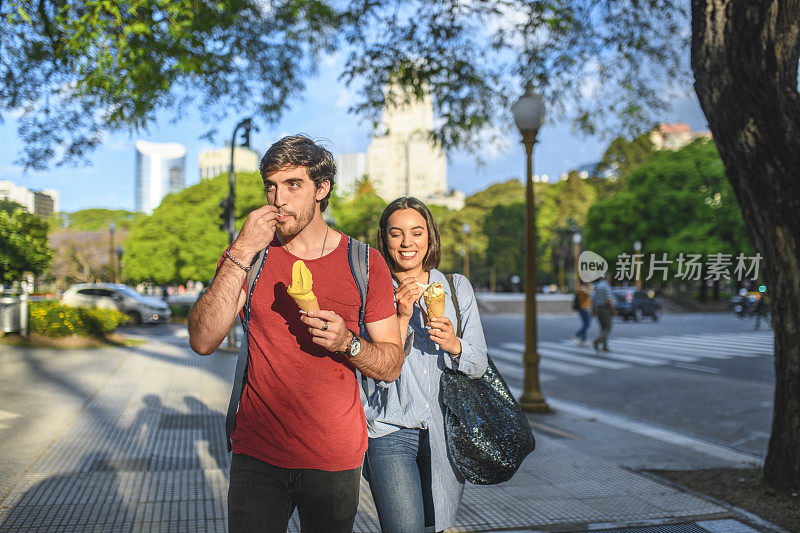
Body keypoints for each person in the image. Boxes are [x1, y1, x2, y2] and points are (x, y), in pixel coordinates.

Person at [187, 135, 403, 533]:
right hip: (257, 452)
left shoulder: (365, 262)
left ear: (322, 189)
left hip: (334, 456)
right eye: (271, 185)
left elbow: (391, 365)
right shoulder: (251, 256)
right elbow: (202, 340)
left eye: (293, 184)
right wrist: (241, 249)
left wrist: (348, 344)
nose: (278, 199)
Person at [364, 197, 489, 533]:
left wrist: (454, 345)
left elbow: (478, 364)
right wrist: (402, 317)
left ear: (430, 237)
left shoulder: (455, 287)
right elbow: (371, 372)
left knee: (434, 528)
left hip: (442, 431)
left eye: (416, 232)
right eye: (396, 234)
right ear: (384, 239)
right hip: (388, 428)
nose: (407, 243)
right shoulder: (371, 289)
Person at [592, 273, 615, 352]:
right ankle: (597, 341)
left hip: (598, 308)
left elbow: (593, 299)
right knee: (608, 327)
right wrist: (613, 310)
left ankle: (605, 346)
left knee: (602, 328)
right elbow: (609, 299)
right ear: (607, 278)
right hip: (605, 308)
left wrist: (593, 311)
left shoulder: (597, 285)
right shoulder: (606, 286)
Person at [572, 281, 592, 345]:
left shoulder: (583, 288)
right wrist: (589, 288)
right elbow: (589, 294)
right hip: (584, 308)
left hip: (584, 308)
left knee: (585, 324)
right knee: (587, 324)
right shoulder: (583, 289)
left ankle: (583, 340)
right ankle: (577, 335)